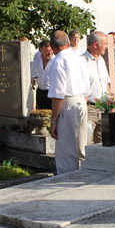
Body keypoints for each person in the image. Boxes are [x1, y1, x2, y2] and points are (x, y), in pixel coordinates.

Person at [46, 30, 90, 174]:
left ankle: (67, 178)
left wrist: (53, 121)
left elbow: (58, 95)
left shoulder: (59, 61)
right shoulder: (78, 58)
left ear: (52, 45)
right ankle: (84, 175)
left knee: (66, 148)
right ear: (68, 42)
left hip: (68, 103)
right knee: (81, 145)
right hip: (81, 101)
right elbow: (87, 86)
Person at [82, 31, 111, 144]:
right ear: (95, 44)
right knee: (85, 143)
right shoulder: (82, 61)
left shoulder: (101, 60)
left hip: (103, 108)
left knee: (102, 145)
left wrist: (110, 104)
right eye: (105, 43)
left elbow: (106, 83)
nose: (106, 46)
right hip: (89, 109)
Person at [31, 40, 55, 110]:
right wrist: (32, 80)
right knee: (40, 113)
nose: (49, 53)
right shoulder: (37, 56)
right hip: (40, 91)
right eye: (47, 51)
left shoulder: (56, 59)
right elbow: (34, 69)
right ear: (40, 50)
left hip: (52, 92)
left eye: (51, 50)